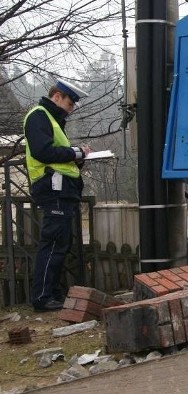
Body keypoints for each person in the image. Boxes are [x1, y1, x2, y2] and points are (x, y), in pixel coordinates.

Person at [23, 79, 91, 312]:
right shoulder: (38, 115)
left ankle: (52, 292)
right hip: (53, 188)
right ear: (57, 96)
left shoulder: (51, 119)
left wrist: (77, 157)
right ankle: (42, 297)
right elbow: (43, 152)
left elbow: (58, 157)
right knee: (53, 243)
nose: (71, 109)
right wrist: (75, 151)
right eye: (70, 103)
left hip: (62, 188)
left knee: (60, 242)